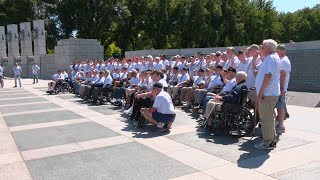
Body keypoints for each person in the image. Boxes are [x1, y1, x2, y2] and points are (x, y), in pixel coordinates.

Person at [254, 39, 281, 150]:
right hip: (270, 92)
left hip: (267, 93)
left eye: (263, 46)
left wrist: (260, 92)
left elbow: (268, 76)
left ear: (269, 48)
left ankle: (268, 142)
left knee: (266, 119)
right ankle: (271, 140)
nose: (261, 48)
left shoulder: (270, 58)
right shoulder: (273, 57)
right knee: (269, 118)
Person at [275, 44, 291, 133]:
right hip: (279, 87)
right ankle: (279, 123)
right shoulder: (281, 60)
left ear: (281, 51)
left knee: (280, 107)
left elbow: (283, 75)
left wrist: (282, 89)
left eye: (277, 50)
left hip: (281, 87)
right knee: (280, 106)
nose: (275, 52)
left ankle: (281, 125)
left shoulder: (284, 61)